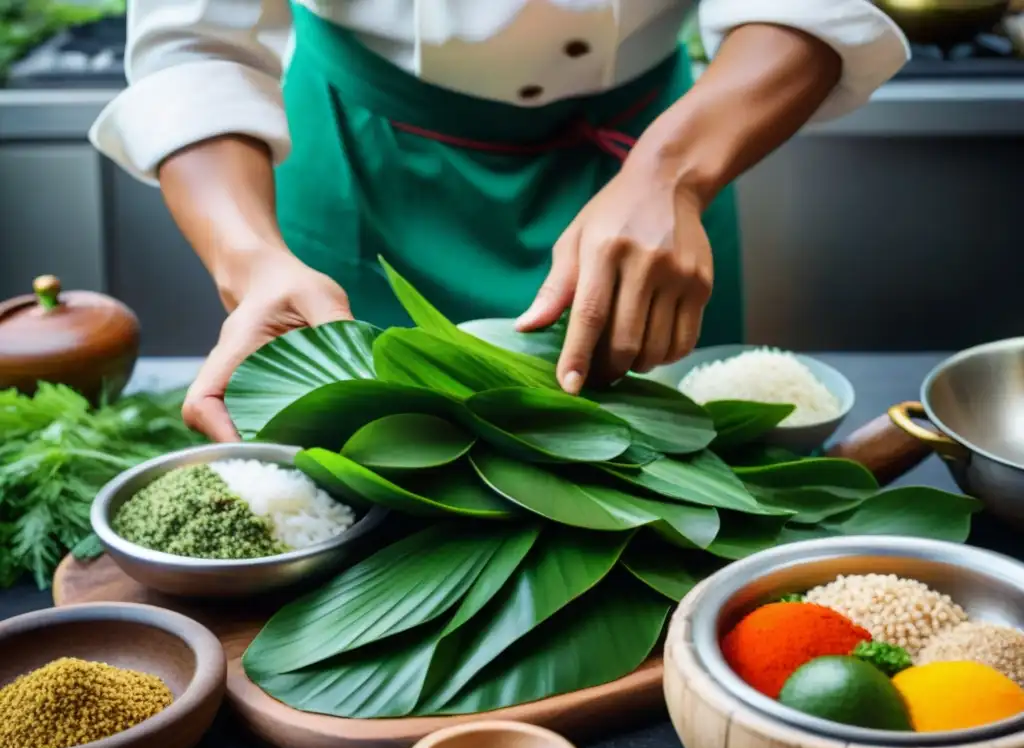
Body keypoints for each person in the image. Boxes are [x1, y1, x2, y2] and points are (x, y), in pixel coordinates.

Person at [90, 1, 909, 442]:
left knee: (659, 469)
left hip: (655, 158)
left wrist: (674, 173)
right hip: (360, 161)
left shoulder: (666, 167)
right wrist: (251, 258)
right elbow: (195, 43)